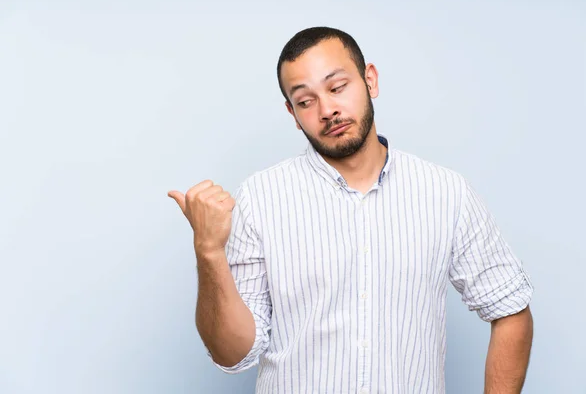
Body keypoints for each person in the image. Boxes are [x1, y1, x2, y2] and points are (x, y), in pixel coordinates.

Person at [168, 26, 534, 394]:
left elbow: (511, 311)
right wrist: (209, 251)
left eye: (337, 87)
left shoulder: (446, 192)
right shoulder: (260, 198)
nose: (328, 110)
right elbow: (232, 354)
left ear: (370, 80)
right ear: (292, 114)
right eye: (306, 101)